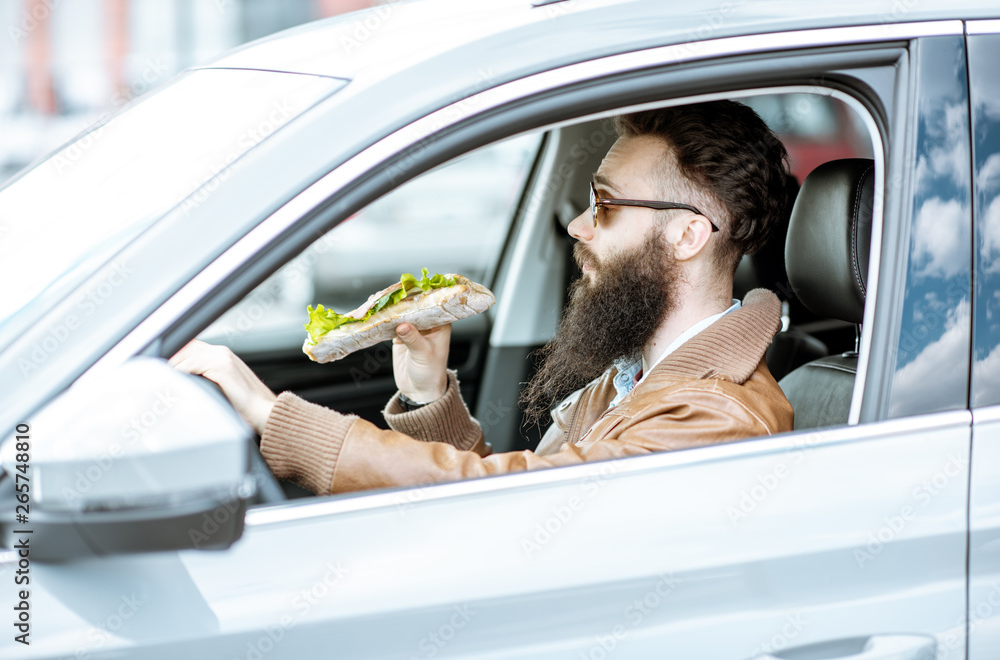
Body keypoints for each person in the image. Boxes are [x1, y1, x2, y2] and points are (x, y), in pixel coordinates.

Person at [171, 100, 796, 495]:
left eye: (603, 205)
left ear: (688, 234)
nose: (578, 226)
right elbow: (506, 501)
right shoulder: (639, 376)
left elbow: (523, 508)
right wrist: (427, 390)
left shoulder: (716, 416)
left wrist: (272, 415)